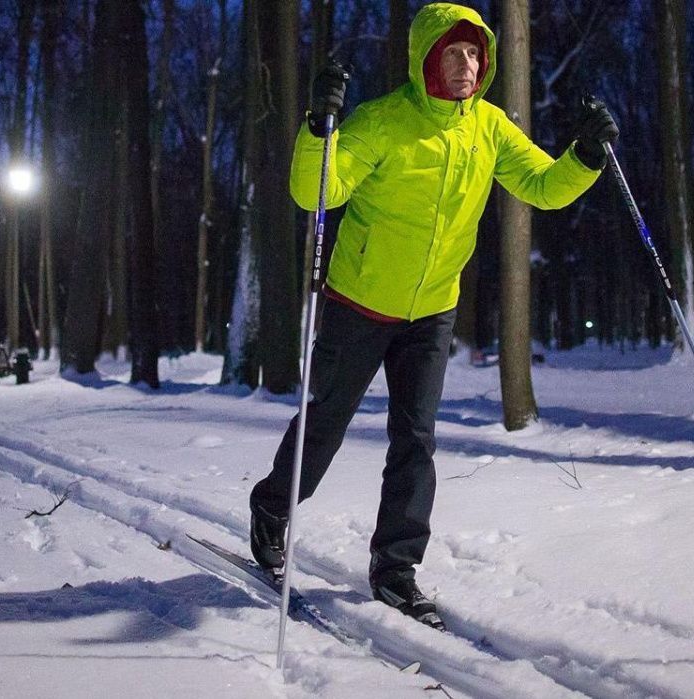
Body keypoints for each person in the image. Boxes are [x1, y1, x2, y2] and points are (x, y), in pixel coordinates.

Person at [249, 2, 618, 631]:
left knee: (415, 440)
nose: (467, 63)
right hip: (358, 301)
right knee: (328, 421)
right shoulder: (382, 122)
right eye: (453, 51)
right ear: (426, 60)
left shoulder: (492, 128)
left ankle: (395, 569)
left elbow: (544, 188)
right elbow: (318, 190)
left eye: (475, 52)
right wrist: (319, 127)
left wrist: (584, 155)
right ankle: (273, 508)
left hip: (433, 310)